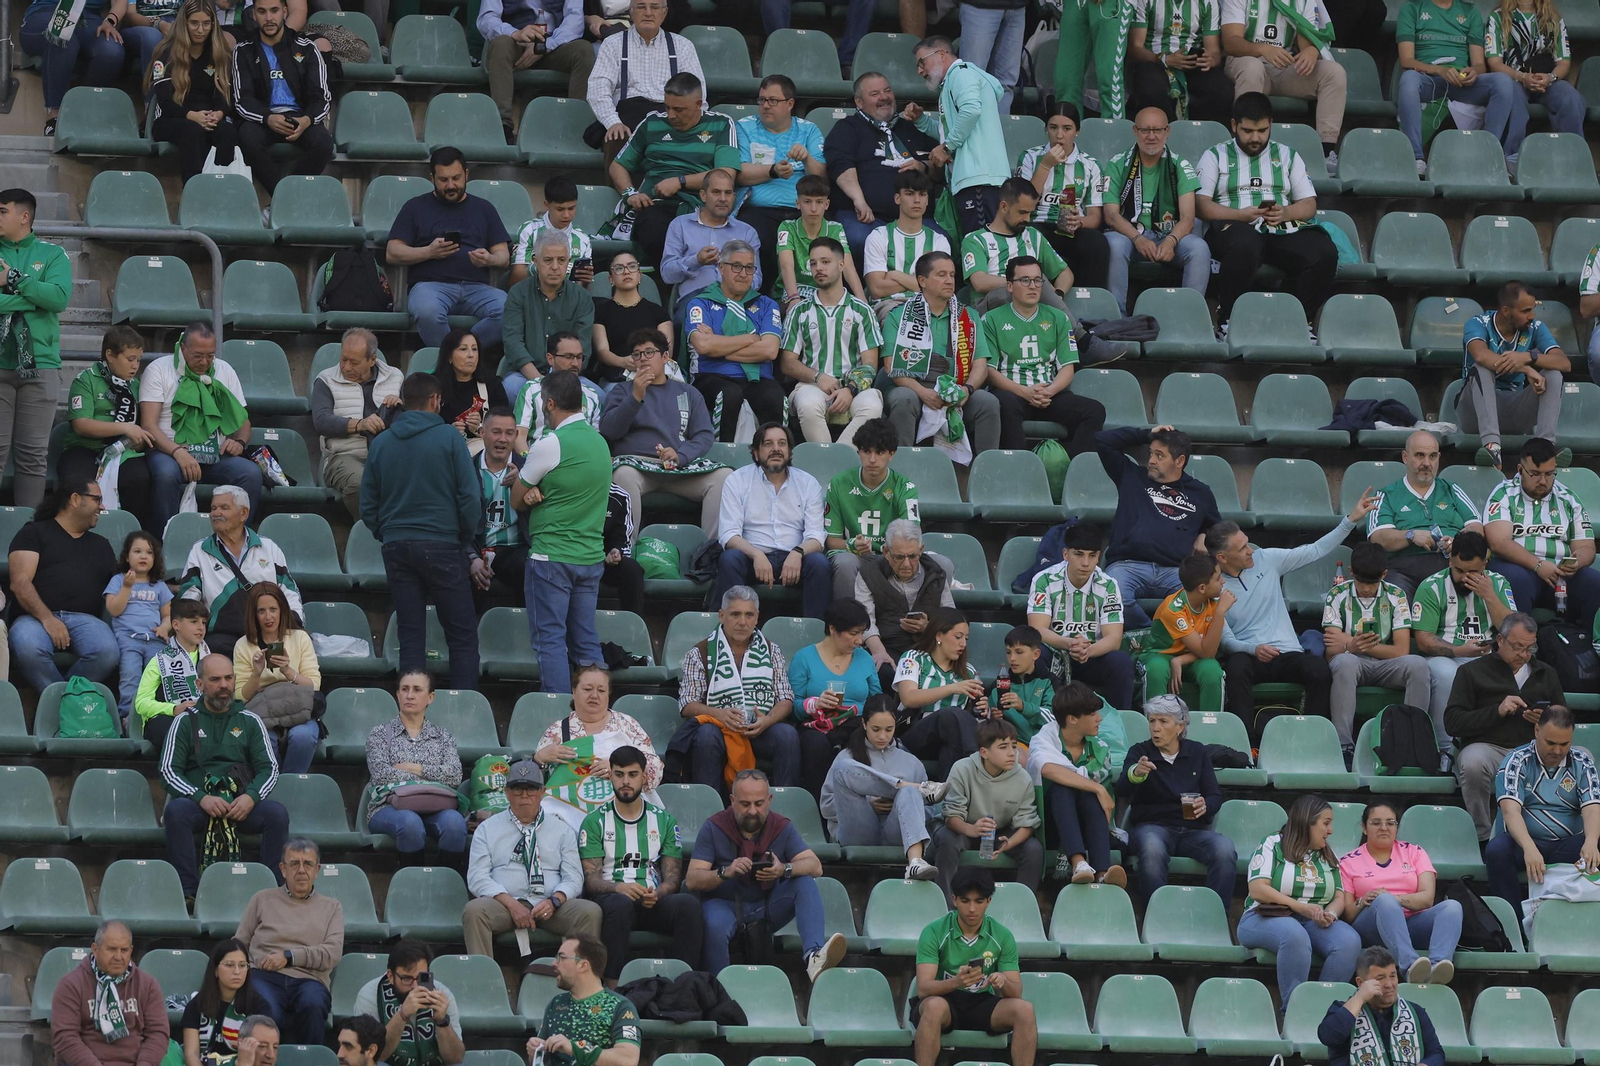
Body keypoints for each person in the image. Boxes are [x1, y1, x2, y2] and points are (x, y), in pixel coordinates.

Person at [1209, 485, 1381, 741]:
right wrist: (1252, 649)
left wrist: (1350, 520)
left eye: (1248, 543)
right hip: (1251, 656)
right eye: (1243, 548)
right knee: (1236, 668)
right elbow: (1225, 640)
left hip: (1288, 653)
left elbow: (1314, 551)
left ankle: (1312, 739)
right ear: (1222, 557)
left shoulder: (1267, 559)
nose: (1251, 550)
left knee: (1319, 670)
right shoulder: (1213, 587)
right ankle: (1244, 744)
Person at [362, 373, 482, 693]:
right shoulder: (450, 438)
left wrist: (386, 532)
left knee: (411, 635)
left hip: (396, 545)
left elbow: (367, 503)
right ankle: (465, 710)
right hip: (443, 542)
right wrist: (463, 537)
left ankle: (411, 713)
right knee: (461, 635)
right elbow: (470, 497)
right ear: (434, 401)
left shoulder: (383, 441)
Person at [685, 768, 848, 977]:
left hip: (767, 904)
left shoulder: (781, 826)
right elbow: (692, 879)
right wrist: (726, 871)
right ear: (732, 800)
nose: (753, 811)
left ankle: (813, 956)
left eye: (759, 804)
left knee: (805, 882)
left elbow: (815, 866)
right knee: (713, 923)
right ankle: (718, 987)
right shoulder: (714, 826)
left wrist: (784, 869)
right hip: (723, 904)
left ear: (769, 800)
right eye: (745, 804)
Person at [1197, 92, 1337, 335]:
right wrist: (1240, 215)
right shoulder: (1215, 155)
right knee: (1245, 243)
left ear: (1270, 125)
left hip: (1279, 228)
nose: (1255, 138)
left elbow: (1309, 204)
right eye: (1248, 131)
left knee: (1323, 251)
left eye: (1262, 130)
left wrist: (1286, 212)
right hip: (1232, 229)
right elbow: (1201, 205)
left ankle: (1297, 322)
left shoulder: (1287, 155)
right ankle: (1228, 320)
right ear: (1234, 126)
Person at [512, 370, 612, 695]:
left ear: (550, 403)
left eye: (542, 402)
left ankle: (558, 720)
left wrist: (528, 492)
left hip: (551, 558)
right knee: (586, 642)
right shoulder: (601, 444)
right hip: (590, 559)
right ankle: (597, 718)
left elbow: (516, 499)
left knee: (550, 642)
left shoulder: (550, 443)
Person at [160, 654, 290, 901]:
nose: (224, 685)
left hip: (239, 805)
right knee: (175, 812)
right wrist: (201, 798)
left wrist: (251, 798)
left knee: (277, 815)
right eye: (215, 679)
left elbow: (270, 769)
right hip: (200, 805)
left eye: (229, 678)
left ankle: (274, 893)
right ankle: (190, 892)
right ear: (199, 685)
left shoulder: (250, 721)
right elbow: (168, 771)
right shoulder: (183, 722)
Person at [580, 745, 704, 980]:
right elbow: (591, 880)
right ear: (611, 777)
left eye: (633, 774)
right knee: (619, 905)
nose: (626, 781)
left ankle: (683, 984)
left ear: (644, 777)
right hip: (612, 900)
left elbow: (673, 877)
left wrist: (658, 893)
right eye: (619, 774)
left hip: (651, 900)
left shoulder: (664, 820)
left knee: (688, 905)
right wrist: (618, 887)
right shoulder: (594, 821)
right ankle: (612, 986)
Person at [463, 759, 604, 957]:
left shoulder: (562, 829)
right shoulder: (487, 828)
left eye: (531, 790)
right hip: (505, 904)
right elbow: (477, 877)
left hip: (550, 905)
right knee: (474, 911)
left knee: (590, 911)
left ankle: (579, 978)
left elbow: (574, 877)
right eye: (517, 790)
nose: (524, 796)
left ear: (542, 792)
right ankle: (483, 981)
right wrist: (512, 904)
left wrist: (555, 901)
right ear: (506, 792)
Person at [599, 329, 731, 538]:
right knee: (623, 475)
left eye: (649, 352)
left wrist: (681, 455)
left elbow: (704, 435)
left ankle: (709, 553)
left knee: (724, 477)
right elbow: (609, 431)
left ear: (665, 357)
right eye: (637, 354)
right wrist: (635, 397)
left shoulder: (688, 392)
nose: (642, 358)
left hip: (678, 466)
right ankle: (625, 551)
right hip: (637, 466)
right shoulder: (622, 391)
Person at [674, 586, 809, 789]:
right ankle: (710, 809)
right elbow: (686, 704)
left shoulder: (772, 650)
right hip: (719, 729)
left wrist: (768, 720)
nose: (742, 622)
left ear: (757, 618)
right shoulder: (700, 652)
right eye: (735, 614)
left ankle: (783, 808)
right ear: (721, 616)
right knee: (706, 736)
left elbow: (786, 698)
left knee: (787, 735)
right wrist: (719, 714)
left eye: (749, 615)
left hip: (760, 728)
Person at [1445, 612, 1563, 839]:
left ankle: (1550, 834)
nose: (1523, 655)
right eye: (1517, 647)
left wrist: (1544, 721)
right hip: (1490, 748)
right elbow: (1453, 722)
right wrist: (1497, 711)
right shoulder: (1471, 672)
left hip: (1533, 750)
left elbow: (1563, 718)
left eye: (1530, 649)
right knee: (1472, 761)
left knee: (1580, 756)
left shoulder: (1546, 673)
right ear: (1500, 640)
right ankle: (1482, 835)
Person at [1236, 794, 1361, 1007]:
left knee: (1349, 942)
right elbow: (1258, 889)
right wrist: (1300, 907)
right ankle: (1295, 1012)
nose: (1331, 830)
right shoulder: (1273, 844)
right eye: (1326, 823)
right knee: (1294, 935)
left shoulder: (1327, 854)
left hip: (1311, 920)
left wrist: (1329, 915)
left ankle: (1323, 1011)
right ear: (1306, 822)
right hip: (1263, 916)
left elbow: (1339, 896)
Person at [138, 321, 261, 536]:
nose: (204, 362)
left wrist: (239, 442)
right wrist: (178, 453)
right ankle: (162, 544)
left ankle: (234, 543)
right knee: (166, 475)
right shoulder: (159, 369)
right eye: (197, 356)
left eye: (210, 355)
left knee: (249, 473)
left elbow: (243, 421)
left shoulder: (224, 370)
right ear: (183, 348)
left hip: (215, 455)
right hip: (169, 451)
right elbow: (148, 425)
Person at [608, 73, 740, 267]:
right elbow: (617, 165)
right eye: (667, 107)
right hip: (655, 204)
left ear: (698, 104)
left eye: (679, 109)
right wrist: (630, 193)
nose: (671, 115)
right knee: (655, 236)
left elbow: (726, 174)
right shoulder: (651, 123)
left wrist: (680, 182)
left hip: (700, 206)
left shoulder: (720, 124)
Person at [387, 148, 511, 351]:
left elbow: (503, 256)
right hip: (430, 286)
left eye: (456, 178)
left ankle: (455, 356)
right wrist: (429, 252)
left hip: (477, 288)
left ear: (467, 175)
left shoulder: (484, 208)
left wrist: (489, 259)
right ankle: (458, 360)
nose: (451, 185)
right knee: (427, 311)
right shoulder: (415, 207)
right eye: (443, 180)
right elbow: (392, 252)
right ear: (432, 178)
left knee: (509, 310)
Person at [911, 867, 1037, 1066]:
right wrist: (956, 982)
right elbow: (923, 988)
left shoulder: (1002, 935)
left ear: (989, 901)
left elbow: (1016, 992)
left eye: (979, 901)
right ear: (954, 899)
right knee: (933, 1007)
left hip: (982, 1002)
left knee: (1025, 1010)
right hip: (945, 1001)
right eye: (965, 901)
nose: (972, 909)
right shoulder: (934, 931)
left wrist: (1003, 982)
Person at [980, 256, 1103, 456]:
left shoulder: (1058, 317)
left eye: (1038, 280)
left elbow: (1067, 367)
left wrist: (1050, 391)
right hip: (1012, 392)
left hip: (1048, 393)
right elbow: (989, 371)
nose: (1033, 286)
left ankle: (1069, 469)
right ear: (1009, 286)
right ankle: (1021, 469)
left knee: (1094, 411)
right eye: (1025, 280)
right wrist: (1023, 392)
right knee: (1003, 404)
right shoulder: (991, 320)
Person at [1097, 424, 1221, 622]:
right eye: (1151, 453)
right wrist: (1146, 434)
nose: (1152, 461)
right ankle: (1150, 635)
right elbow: (1102, 440)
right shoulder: (1131, 476)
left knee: (1204, 599)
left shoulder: (1200, 493)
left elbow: (1217, 529)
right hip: (1128, 566)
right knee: (1114, 597)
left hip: (1175, 571)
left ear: (1180, 461)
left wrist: (1205, 534)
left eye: (1160, 456)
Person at [1323, 542, 1431, 767]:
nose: (1365, 589)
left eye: (1372, 583)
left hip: (1385, 665)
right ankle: (1343, 745)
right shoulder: (1337, 594)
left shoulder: (1396, 595)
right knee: (1344, 662)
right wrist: (1350, 648)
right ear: (1351, 573)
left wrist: (1354, 644)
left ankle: (1411, 741)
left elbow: (1402, 650)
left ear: (1384, 574)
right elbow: (1332, 650)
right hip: (1353, 662)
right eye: (1361, 582)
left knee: (1418, 665)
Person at [1413, 531, 1516, 763]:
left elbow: (1513, 631)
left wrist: (1489, 596)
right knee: (1449, 673)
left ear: (1485, 564)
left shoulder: (1498, 583)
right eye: (1459, 570)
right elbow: (1423, 639)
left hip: (1489, 656)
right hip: (1447, 657)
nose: (1464, 578)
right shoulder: (1431, 587)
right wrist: (1459, 651)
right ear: (1450, 560)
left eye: (1473, 572)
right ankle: (1446, 749)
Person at [7, 479, 119, 694]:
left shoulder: (101, 544)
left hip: (86, 620)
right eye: (97, 499)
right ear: (75, 499)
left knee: (107, 652)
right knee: (30, 648)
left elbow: (120, 583)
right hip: (34, 618)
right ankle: (67, 703)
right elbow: (20, 583)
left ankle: (63, 699)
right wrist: (48, 619)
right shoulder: (34, 532)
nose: (102, 507)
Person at [1120, 694, 1235, 901]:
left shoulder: (1197, 752)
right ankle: (1155, 916)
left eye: (1163, 721)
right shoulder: (1140, 751)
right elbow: (1122, 788)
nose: (1155, 727)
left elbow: (1214, 795)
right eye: (1152, 721)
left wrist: (1205, 804)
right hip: (1152, 827)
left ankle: (1217, 917)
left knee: (1224, 848)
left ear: (1180, 727)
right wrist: (1136, 773)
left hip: (1192, 830)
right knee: (1152, 848)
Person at [882, 251, 998, 458]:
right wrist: (922, 392)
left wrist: (967, 389)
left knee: (987, 402)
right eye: (942, 275)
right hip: (916, 387)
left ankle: (986, 476)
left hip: (957, 387)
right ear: (922, 281)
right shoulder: (898, 317)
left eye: (952, 275)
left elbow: (980, 365)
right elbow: (892, 367)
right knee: (903, 398)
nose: (949, 281)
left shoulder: (969, 317)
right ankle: (902, 469)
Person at [714, 422, 829, 619]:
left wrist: (798, 552)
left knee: (819, 563)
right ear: (756, 453)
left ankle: (816, 634)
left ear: (789, 451)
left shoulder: (808, 483)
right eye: (768, 444)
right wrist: (756, 554)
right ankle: (728, 631)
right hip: (752, 558)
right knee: (730, 559)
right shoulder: (737, 480)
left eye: (782, 443)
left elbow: (817, 536)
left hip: (794, 559)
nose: (776, 449)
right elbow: (729, 534)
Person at [1339, 802, 1462, 986]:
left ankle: (1438, 968)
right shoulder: (1348, 862)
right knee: (1385, 901)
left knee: (1452, 907)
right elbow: (1347, 914)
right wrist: (1364, 901)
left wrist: (1395, 899)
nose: (1384, 828)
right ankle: (1410, 966)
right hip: (1371, 927)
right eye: (1376, 823)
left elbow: (1427, 898)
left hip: (1412, 923)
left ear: (1397, 827)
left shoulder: (1414, 852)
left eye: (1390, 822)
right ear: (1364, 828)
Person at [822, 697, 944, 880]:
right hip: (858, 832)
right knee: (843, 768)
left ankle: (915, 862)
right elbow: (827, 807)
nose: (882, 736)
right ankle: (900, 786)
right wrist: (868, 802)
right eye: (876, 729)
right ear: (864, 724)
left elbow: (928, 812)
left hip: (898, 833)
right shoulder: (846, 757)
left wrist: (900, 805)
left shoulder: (912, 763)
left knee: (910, 792)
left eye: (889, 730)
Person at [1493, 704, 1600, 911]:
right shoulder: (1517, 760)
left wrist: (1591, 841)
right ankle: (1513, 926)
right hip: (1526, 844)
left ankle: (1591, 924)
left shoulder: (1582, 761)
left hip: (1568, 845)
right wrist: (1529, 847)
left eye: (1564, 744)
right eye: (1550, 743)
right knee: (1497, 851)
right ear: (1536, 731)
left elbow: (1592, 807)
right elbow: (1510, 811)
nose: (1557, 750)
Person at [1102, 115, 1210, 319]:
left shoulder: (1180, 164)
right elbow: (1111, 215)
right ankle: (1116, 319)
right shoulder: (1118, 163)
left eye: (1157, 130)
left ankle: (1189, 320)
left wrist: (1171, 241)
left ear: (1167, 132)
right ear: (1135, 131)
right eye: (1145, 130)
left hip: (1169, 234)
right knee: (1113, 245)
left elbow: (1188, 218)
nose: (1151, 136)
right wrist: (1137, 238)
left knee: (1199, 249)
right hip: (1129, 235)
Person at [235, 840, 342, 1046]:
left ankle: (310, 1061)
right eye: (294, 864)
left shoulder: (332, 907)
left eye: (308, 864)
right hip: (263, 976)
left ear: (317, 870)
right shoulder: (262, 899)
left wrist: (288, 957)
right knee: (268, 1009)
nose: (301, 870)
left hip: (309, 979)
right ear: (283, 869)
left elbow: (332, 953)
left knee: (313, 1004)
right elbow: (239, 942)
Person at [1397, 0, 1525, 172]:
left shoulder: (1470, 11)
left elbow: (1479, 64)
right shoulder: (1412, 8)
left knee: (1502, 81)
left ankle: (1487, 156)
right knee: (1408, 79)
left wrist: (1473, 72)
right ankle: (1414, 157)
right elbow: (1407, 60)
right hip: (1429, 79)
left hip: (1461, 82)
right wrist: (1440, 70)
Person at [1483, 436, 1598, 628]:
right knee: (1515, 580)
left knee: (1595, 583)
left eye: (1549, 474)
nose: (1543, 481)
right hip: (1519, 568)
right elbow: (1498, 542)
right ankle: (1521, 650)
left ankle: (1586, 648)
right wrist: (1537, 565)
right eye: (1535, 474)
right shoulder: (1503, 493)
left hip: (1561, 573)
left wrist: (1577, 561)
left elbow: (1587, 546)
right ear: (1520, 470)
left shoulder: (1568, 498)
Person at [780, 236, 884, 446]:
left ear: (842, 264)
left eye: (825, 262)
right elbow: (787, 363)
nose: (818, 268)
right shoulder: (799, 311)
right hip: (812, 385)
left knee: (872, 405)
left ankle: (834, 461)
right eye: (813, 263)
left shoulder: (862, 311)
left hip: (854, 388)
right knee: (808, 404)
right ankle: (830, 463)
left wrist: (851, 389)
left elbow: (871, 364)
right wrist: (818, 376)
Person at [533, 665, 666, 828]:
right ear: (574, 692)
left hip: (623, 812)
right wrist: (540, 759)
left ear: (608, 695)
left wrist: (620, 770)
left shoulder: (627, 725)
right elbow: (535, 784)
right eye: (587, 689)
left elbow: (655, 768)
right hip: (567, 817)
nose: (594, 695)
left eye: (601, 691)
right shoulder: (557, 731)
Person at [1221, 0, 1346, 174]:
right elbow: (1231, 42)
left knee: (1334, 72)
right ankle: (1244, 148)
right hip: (1245, 59)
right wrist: (1263, 49)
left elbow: (1306, 41)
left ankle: (1325, 151)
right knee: (1252, 68)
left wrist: (1312, 51)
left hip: (1284, 64)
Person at [177, 486, 302, 655]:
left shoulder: (268, 548)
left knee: (277, 671)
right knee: (216, 660)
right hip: (222, 636)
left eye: (224, 508)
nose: (215, 513)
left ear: (244, 513)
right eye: (213, 508)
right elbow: (189, 597)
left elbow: (289, 590)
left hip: (268, 633)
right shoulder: (200, 551)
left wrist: (293, 622)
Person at [824, 73, 940, 254]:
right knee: (858, 240)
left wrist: (922, 166)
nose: (884, 97)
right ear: (859, 102)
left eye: (887, 91)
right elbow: (840, 166)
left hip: (915, 217)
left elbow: (940, 164)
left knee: (939, 244)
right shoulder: (848, 128)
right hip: (863, 215)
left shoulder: (911, 127)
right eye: (875, 93)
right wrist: (859, 201)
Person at [1026, 523, 1137, 712]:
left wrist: (1088, 651)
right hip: (1056, 653)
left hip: (1092, 654)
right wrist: (1070, 644)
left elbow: (1114, 638)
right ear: (1065, 554)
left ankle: (1119, 721)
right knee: (1036, 655)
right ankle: (1040, 718)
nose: (1086, 563)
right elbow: (1037, 630)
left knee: (1121, 662)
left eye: (1092, 555)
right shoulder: (1044, 580)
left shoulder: (1108, 585)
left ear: (1098, 557)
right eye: (1079, 554)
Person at [1459, 285, 1570, 473]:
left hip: (1514, 408)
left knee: (1553, 374)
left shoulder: (1535, 328)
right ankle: (1491, 447)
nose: (1532, 316)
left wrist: (1529, 357)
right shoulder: (1478, 322)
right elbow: (1480, 355)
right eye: (1526, 311)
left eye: (1533, 309)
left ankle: (1545, 448)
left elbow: (1564, 363)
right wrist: (1525, 368)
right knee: (1481, 369)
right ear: (1505, 311)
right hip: (1474, 413)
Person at [365, 669, 469, 868]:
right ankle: (413, 885)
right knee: (410, 823)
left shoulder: (442, 736)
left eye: (417, 690)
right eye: (404, 689)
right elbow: (381, 774)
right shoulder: (379, 734)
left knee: (455, 824)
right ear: (397, 694)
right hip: (388, 807)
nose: (409, 695)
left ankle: (446, 883)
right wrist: (431, 778)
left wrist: (415, 768)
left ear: (430, 697)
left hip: (435, 806)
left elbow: (454, 775)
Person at [230, 0, 333, 198]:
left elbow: (322, 97)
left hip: (299, 118)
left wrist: (307, 120)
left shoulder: (307, 48)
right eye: (262, 11)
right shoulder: (243, 50)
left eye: (274, 11)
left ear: (285, 12)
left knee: (324, 144)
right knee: (246, 137)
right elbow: (242, 99)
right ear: (254, 15)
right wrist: (267, 117)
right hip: (262, 119)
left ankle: (285, 197)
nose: (269, 18)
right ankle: (284, 199)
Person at [1029, 682, 1126, 887]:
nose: (1099, 719)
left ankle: (1102, 872)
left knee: (1084, 793)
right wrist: (1098, 788)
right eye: (1092, 714)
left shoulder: (1100, 748)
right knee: (1063, 788)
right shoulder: (1044, 739)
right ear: (1072, 719)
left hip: (1091, 824)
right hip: (1049, 825)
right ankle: (1078, 862)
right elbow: (1045, 767)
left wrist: (1093, 789)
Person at [909, 37, 1008, 237]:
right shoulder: (954, 80)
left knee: (982, 245)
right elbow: (952, 129)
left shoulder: (961, 74)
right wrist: (921, 120)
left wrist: (946, 148)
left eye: (922, 62)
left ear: (942, 54)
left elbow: (971, 111)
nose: (920, 71)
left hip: (979, 180)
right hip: (976, 179)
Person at [686, 242, 785, 442]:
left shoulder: (767, 305)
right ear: (721, 268)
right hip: (712, 375)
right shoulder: (701, 303)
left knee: (776, 397)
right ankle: (721, 459)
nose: (743, 273)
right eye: (736, 266)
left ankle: (772, 460)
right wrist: (750, 339)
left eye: (749, 267)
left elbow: (769, 350)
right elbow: (704, 346)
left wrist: (720, 345)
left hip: (757, 378)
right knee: (729, 395)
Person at [585, 0, 706, 165]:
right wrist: (613, 123)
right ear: (631, 12)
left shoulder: (682, 46)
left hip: (670, 119)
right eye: (641, 7)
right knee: (616, 137)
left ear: (664, 13)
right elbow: (598, 88)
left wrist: (693, 125)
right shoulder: (613, 44)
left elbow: (696, 93)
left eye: (655, 7)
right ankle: (624, 191)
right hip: (627, 119)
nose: (648, 13)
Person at [932, 719, 1042, 900]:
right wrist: (972, 829)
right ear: (984, 752)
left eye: (1013, 746)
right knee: (947, 840)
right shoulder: (962, 768)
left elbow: (1027, 822)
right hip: (964, 828)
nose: (1011, 753)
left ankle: (1021, 908)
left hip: (1000, 832)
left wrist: (1010, 842)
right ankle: (947, 906)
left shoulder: (1022, 777)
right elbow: (951, 816)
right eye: (1003, 747)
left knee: (1033, 849)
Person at [825, 420, 933, 601]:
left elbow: (911, 537)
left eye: (880, 452)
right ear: (858, 452)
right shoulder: (838, 484)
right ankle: (846, 623)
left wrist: (889, 552)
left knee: (941, 563)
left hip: (892, 556)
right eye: (866, 452)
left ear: (892, 454)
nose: (872, 459)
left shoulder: (905, 487)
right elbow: (831, 540)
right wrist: (851, 544)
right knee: (844, 562)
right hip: (855, 556)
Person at [58, 326, 155, 530]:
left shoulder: (137, 386)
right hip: (84, 448)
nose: (135, 366)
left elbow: (144, 429)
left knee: (139, 478)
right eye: (130, 359)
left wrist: (137, 442)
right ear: (110, 355)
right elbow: (81, 425)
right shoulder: (86, 380)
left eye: (138, 360)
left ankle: (130, 538)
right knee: (79, 485)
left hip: (124, 453)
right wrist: (126, 428)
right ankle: (74, 536)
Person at [1366, 429, 1485, 595]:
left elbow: (1477, 528)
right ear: (1405, 457)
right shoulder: (1386, 494)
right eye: (1420, 455)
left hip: (1452, 566)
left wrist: (1458, 542)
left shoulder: (1452, 489)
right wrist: (1410, 535)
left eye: (1433, 456)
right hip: (1403, 571)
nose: (1427, 463)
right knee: (1393, 590)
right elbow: (1378, 538)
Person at [736, 75, 827, 289]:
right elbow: (738, 173)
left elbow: (822, 176)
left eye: (773, 100)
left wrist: (806, 159)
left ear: (790, 104)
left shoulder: (808, 129)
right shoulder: (745, 127)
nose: (766, 105)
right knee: (757, 239)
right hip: (759, 210)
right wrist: (772, 171)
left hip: (803, 210)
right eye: (762, 100)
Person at [1015, 103, 1111, 291]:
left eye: (1067, 128)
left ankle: (1090, 304)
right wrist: (1045, 165)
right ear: (1046, 130)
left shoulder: (1090, 165)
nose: (1059, 135)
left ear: (1077, 131)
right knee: (1030, 235)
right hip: (1038, 224)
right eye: (1053, 128)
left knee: (1098, 243)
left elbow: (1096, 217)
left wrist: (1079, 222)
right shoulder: (1030, 157)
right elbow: (1023, 205)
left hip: (1073, 230)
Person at [311, 327, 402, 519]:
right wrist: (360, 424)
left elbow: (412, 417)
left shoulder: (395, 377)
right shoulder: (326, 379)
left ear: (372, 360)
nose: (346, 367)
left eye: (354, 362)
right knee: (361, 483)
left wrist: (401, 405)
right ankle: (369, 536)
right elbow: (321, 421)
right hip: (343, 456)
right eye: (343, 359)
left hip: (388, 455)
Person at [51, 920, 168, 1066]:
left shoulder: (147, 984)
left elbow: (158, 1033)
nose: (118, 957)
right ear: (95, 949)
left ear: (131, 950)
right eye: (112, 949)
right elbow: (65, 1037)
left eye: (124, 950)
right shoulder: (70, 985)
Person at [232, 583, 321, 775]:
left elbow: (314, 685)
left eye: (273, 609)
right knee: (264, 739)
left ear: (282, 609)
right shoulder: (243, 645)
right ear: (253, 614)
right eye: (261, 611)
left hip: (296, 706)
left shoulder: (300, 638)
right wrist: (256, 673)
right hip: (262, 711)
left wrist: (288, 670)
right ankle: (271, 786)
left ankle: (288, 786)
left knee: (303, 736)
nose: (268, 617)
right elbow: (240, 696)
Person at [858, 519, 957, 690]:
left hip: (929, 649)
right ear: (886, 551)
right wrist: (879, 652)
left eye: (912, 556)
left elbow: (951, 620)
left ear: (921, 550)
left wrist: (928, 627)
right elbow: (866, 621)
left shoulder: (936, 573)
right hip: (887, 647)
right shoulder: (869, 574)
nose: (906, 564)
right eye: (898, 557)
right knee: (881, 671)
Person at [147, 0, 240, 182]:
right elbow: (165, 102)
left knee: (227, 131)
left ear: (213, 25)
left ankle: (221, 187)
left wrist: (219, 114)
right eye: (194, 23)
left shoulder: (218, 53)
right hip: (172, 118)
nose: (200, 30)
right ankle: (193, 192)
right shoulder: (164, 53)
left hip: (207, 116)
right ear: (184, 23)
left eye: (206, 24)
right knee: (193, 130)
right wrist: (192, 116)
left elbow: (225, 95)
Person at [479, 0, 595, 142]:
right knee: (500, 44)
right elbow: (486, 18)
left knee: (583, 50)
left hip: (554, 44)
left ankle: (577, 127)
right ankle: (502, 126)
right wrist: (515, 33)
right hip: (516, 42)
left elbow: (575, 19)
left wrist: (546, 46)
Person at [789, 599, 884, 773]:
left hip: (856, 722)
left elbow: (877, 700)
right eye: (854, 633)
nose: (859, 640)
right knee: (815, 743)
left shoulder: (864, 658)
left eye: (862, 633)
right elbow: (793, 707)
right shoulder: (804, 658)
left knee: (861, 737)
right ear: (833, 629)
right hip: (817, 724)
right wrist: (815, 704)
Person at [502, 232, 596, 402]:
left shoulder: (582, 297)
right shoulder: (518, 293)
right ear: (535, 261)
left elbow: (583, 349)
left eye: (561, 260)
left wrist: (559, 381)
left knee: (600, 397)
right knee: (510, 389)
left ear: (568, 261)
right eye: (548, 260)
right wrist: (539, 380)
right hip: (524, 375)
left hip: (569, 376)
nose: (555, 266)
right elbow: (513, 342)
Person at [896, 608, 989, 780]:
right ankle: (980, 769)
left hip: (951, 739)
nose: (963, 644)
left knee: (952, 746)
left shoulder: (968, 670)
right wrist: (952, 688)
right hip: (917, 733)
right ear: (938, 635)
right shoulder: (913, 658)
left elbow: (976, 716)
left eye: (966, 639)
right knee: (951, 715)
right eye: (958, 637)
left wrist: (985, 709)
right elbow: (908, 698)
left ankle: (949, 800)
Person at [1319, 946, 1448, 1066]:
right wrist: (1359, 997)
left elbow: (1436, 1053)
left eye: (1393, 976)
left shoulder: (1415, 1012)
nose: (1389, 984)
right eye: (1380, 978)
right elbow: (1328, 1037)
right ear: (1361, 982)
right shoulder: (1342, 1011)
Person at [525, 935, 642, 1066]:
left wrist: (575, 1048)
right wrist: (535, 1052)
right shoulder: (556, 1004)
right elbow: (539, 1061)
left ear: (583, 965)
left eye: (561, 958)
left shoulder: (619, 1006)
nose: (554, 963)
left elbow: (628, 1059)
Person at [962, 179, 1074, 313]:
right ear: (1004, 207)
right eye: (1022, 212)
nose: (1027, 219)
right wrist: (1025, 282)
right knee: (1033, 284)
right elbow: (980, 282)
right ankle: (1080, 333)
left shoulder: (1033, 236)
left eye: (1030, 213)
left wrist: (1058, 295)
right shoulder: (975, 240)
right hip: (989, 308)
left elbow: (1065, 273)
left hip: (1029, 309)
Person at [1141, 552, 1233, 711]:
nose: (1223, 582)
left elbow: (1209, 652)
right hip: (1161, 654)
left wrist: (1181, 660)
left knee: (1212, 670)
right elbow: (1207, 650)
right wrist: (1220, 613)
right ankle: (1156, 726)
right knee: (1156, 669)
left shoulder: (1214, 602)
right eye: (1218, 579)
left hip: (1194, 656)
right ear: (1202, 588)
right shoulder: (1173, 610)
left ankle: (1210, 730)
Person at [20, 0, 126, 136]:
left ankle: (88, 114)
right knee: (64, 37)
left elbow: (120, 2)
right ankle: (55, 116)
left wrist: (110, 21)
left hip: (87, 18)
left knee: (111, 50)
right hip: (46, 12)